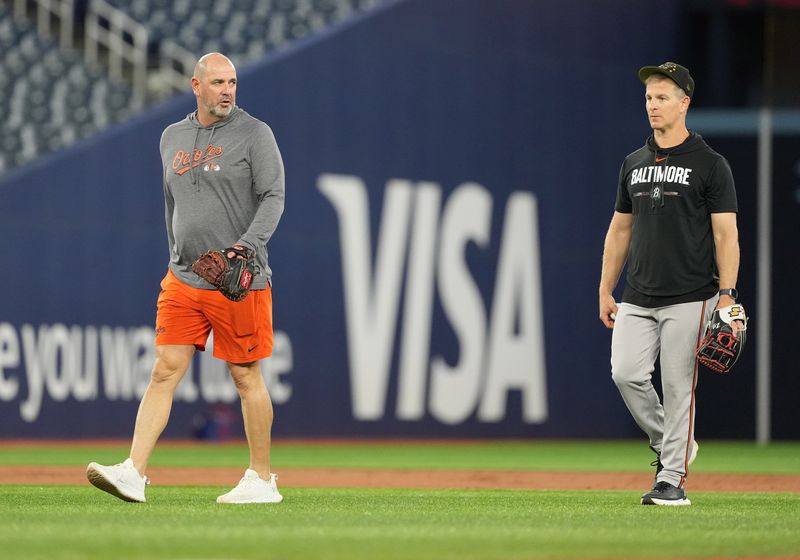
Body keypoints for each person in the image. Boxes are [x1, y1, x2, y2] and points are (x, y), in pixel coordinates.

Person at [87, 52, 285, 504]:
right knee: (164, 370)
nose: (227, 90)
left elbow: (274, 196)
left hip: (238, 276)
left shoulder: (255, 134)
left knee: (244, 374)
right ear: (196, 86)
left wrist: (246, 247)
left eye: (232, 81)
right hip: (184, 276)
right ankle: (134, 472)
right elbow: (172, 204)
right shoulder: (172, 136)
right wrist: (177, 252)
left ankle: (261, 478)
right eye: (217, 82)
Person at [598, 62, 743, 506]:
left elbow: (725, 235)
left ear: (684, 103)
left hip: (692, 293)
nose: (652, 105)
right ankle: (673, 444)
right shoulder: (634, 162)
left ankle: (672, 481)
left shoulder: (710, 164)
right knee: (625, 374)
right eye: (648, 98)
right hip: (638, 294)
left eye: (662, 97)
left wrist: (727, 297)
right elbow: (619, 230)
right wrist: (606, 288)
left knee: (680, 387)